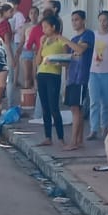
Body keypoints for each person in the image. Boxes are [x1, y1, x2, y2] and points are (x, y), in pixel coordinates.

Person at [34, 15, 69, 146]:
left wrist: (56, 61)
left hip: (53, 75)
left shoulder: (61, 41)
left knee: (54, 106)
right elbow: (38, 61)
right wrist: (41, 46)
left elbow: (67, 62)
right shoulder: (44, 41)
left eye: (45, 27)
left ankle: (61, 137)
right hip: (42, 74)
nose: (43, 30)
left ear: (53, 27)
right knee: (45, 107)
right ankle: (48, 136)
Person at [87, 11, 108, 141]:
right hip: (93, 72)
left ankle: (104, 126)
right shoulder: (93, 35)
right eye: (100, 20)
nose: (102, 23)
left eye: (105, 20)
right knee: (94, 101)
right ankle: (93, 129)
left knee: (106, 102)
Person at [63, 10, 94, 151]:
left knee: (77, 109)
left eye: (76, 20)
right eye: (72, 20)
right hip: (72, 78)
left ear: (83, 20)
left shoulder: (88, 35)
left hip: (81, 78)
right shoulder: (73, 40)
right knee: (75, 109)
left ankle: (74, 141)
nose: (74, 22)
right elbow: (70, 60)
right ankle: (79, 140)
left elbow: (80, 51)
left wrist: (65, 40)